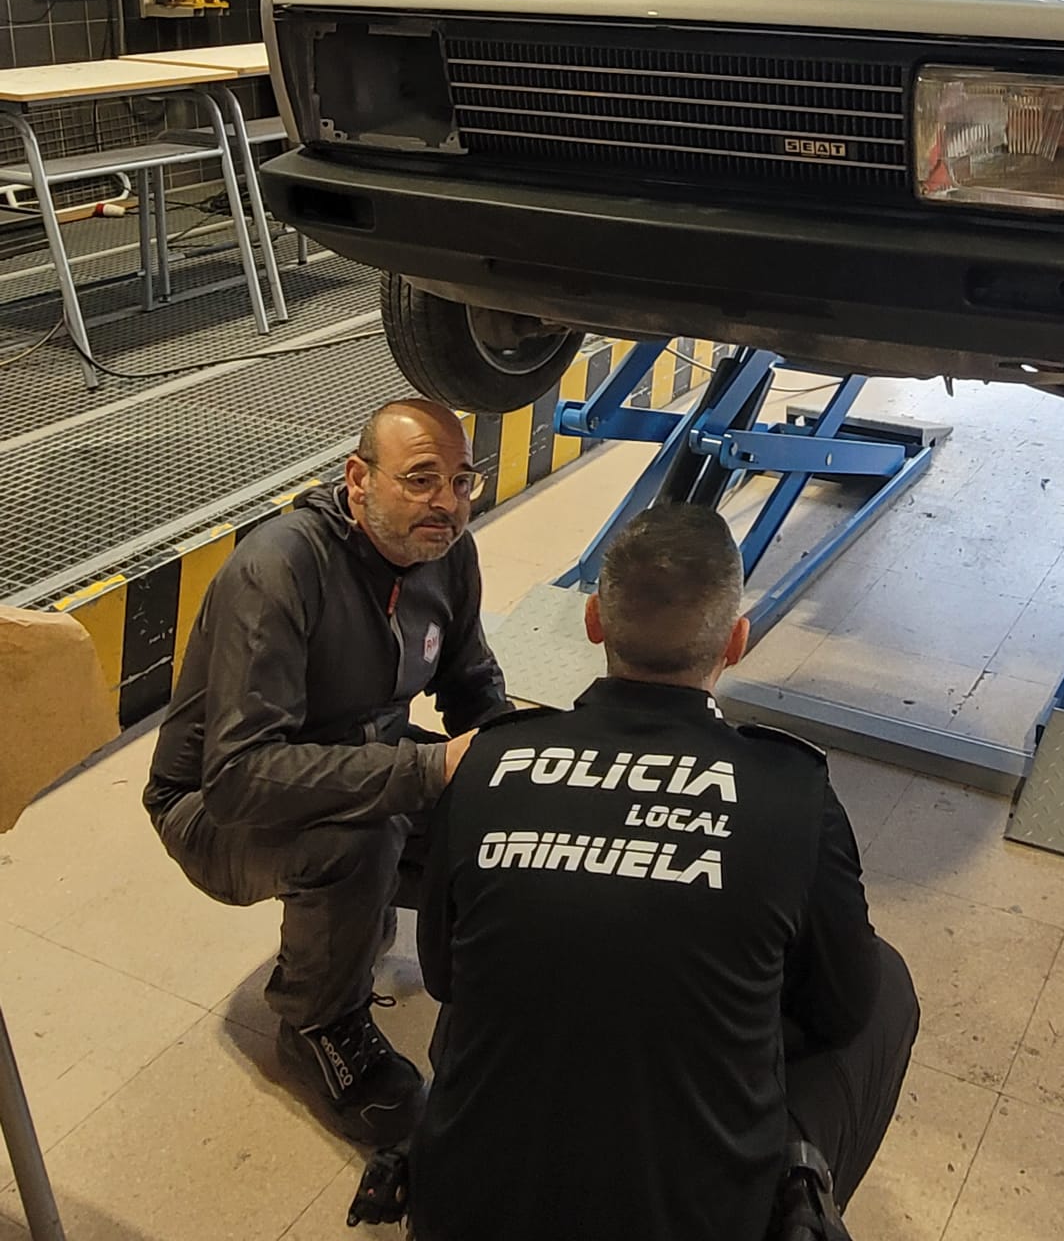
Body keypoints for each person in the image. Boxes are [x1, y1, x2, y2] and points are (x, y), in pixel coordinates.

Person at [409, 505, 919, 1241]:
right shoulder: (791, 793)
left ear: (593, 621)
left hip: (463, 1218)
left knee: (515, 949)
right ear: (736, 640)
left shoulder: (488, 761)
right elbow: (841, 1010)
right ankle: (796, 1191)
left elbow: (441, 976)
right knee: (884, 984)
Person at [144, 399, 508, 1145]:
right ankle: (318, 1023)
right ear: (358, 479)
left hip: (354, 751)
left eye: (461, 481)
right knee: (361, 838)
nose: (446, 502)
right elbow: (241, 775)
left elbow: (471, 683)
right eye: (421, 479)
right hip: (214, 805)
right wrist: (425, 769)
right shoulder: (280, 569)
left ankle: (381, 924)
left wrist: (518, 768)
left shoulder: (446, 554)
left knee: (497, 809)